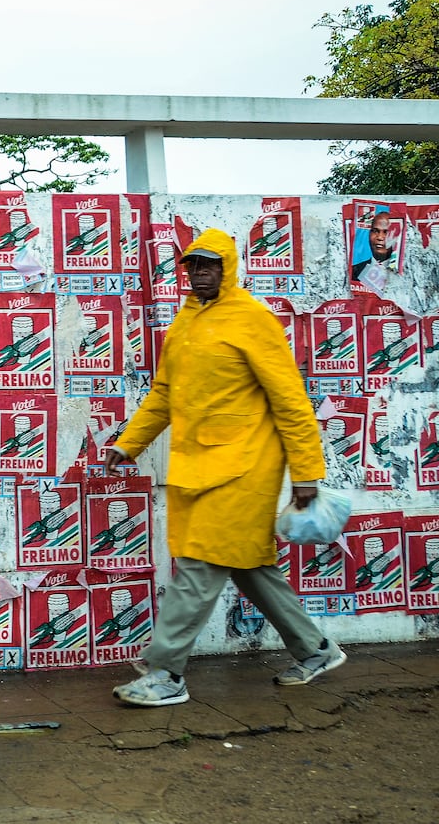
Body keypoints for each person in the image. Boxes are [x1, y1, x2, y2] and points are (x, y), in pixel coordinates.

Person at [106, 229, 343, 708]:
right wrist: (129, 443)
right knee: (249, 565)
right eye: (193, 265)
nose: (199, 273)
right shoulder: (186, 320)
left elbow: (290, 399)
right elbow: (165, 393)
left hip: (246, 468)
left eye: (209, 265)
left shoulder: (253, 319)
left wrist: (305, 472)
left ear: (228, 267)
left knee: (200, 564)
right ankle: (315, 650)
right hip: (197, 466)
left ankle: (165, 673)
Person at [351, 209, 398, 281]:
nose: (379, 237)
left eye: (386, 232)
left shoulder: (404, 275)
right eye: (375, 231)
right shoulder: (353, 272)